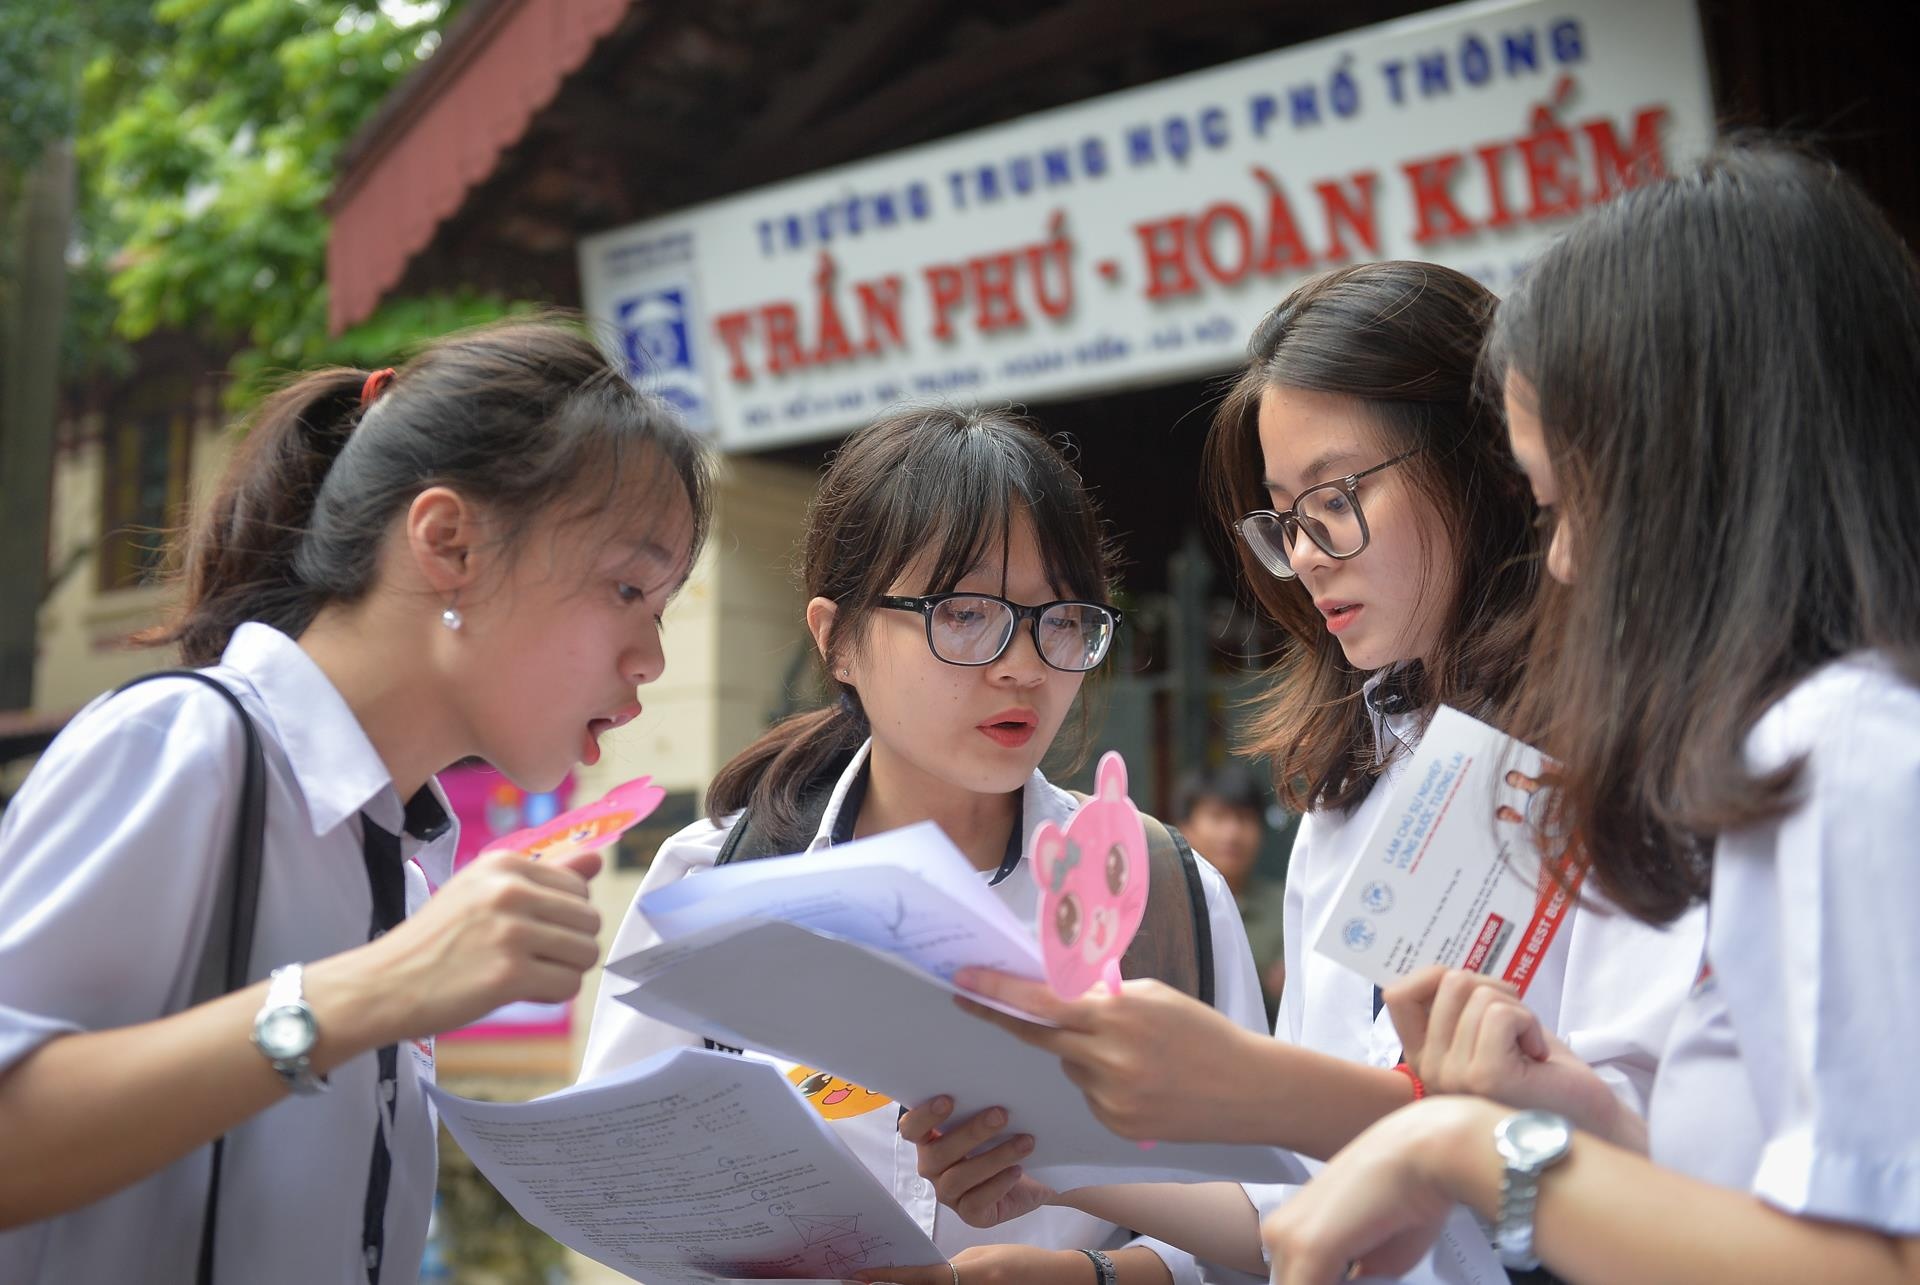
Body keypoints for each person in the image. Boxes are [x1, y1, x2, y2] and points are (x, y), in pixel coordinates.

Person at [887, 262, 1703, 1285]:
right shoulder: (1350, 791)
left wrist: (1256, 1084)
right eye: (1284, 517)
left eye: (1336, 497)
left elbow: (1657, 1175)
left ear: (1485, 461)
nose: (1309, 553)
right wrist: (1058, 1170)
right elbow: (1299, 1219)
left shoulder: (1613, 762)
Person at [1259, 143, 1920, 1284]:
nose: (1558, 561)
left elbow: (1872, 1258)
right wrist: (1552, 1120)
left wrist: (1452, 1145)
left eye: (1566, 502)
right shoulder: (1788, 760)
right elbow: (1703, 1209)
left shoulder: (1842, 755)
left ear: (1699, 472)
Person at [0, 318, 710, 1283]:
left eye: (661, 606)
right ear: (450, 542)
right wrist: (375, 990)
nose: (652, 658)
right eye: (626, 586)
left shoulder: (404, 858)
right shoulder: (188, 743)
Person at [581, 404, 1272, 1285]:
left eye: (1060, 618)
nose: (1022, 663)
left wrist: (1092, 1275)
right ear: (837, 639)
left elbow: (1277, 1232)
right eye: (967, 612)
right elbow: (632, 1199)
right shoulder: (713, 882)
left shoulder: (1161, 892)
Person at [1173, 764, 1290, 1020]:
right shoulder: (1166, 905)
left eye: (1245, 819)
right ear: (1185, 828)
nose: (1233, 833)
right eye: (1217, 817)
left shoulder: (1288, 906)